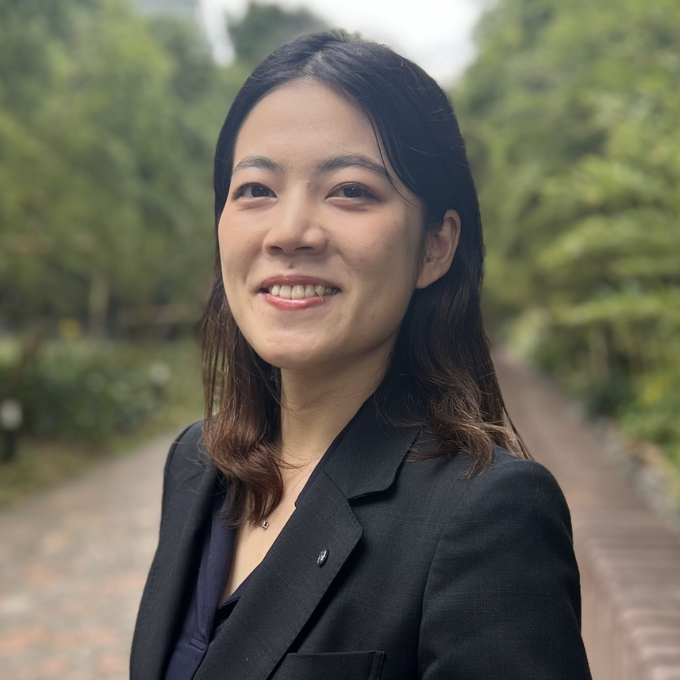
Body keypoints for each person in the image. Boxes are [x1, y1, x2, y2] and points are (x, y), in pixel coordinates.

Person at [130, 30, 593, 680]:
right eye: (256, 189)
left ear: (435, 246)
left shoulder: (486, 516)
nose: (290, 232)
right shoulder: (197, 466)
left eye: (349, 190)